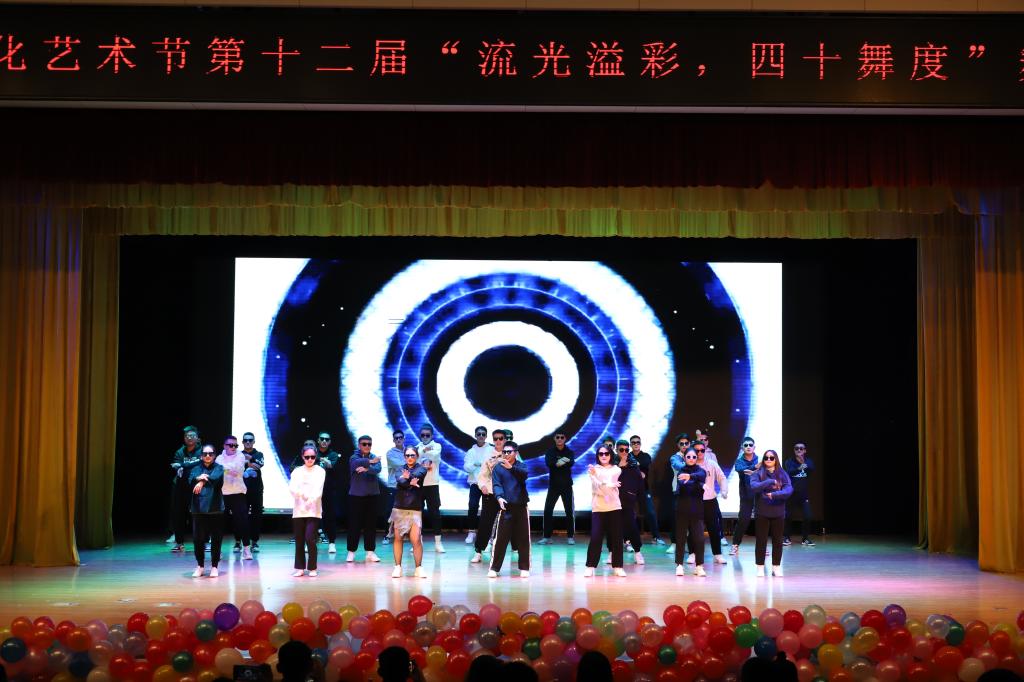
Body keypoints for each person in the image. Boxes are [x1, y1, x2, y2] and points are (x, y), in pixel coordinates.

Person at [488, 441, 531, 578]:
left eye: (509, 452)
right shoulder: (498, 468)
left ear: (515, 453)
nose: (506, 454)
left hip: (521, 506)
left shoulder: (521, 466)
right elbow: (496, 484)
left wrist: (511, 468)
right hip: (506, 508)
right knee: (500, 539)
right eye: (504, 452)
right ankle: (494, 568)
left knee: (523, 539)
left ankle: (524, 567)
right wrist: (499, 497)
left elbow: (524, 475)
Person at [584, 445, 626, 577]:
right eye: (601, 454)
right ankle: (590, 566)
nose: (603, 456)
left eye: (606, 453)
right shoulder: (594, 469)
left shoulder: (616, 470)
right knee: (596, 537)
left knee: (617, 538)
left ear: (610, 455)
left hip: (614, 507)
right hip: (598, 508)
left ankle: (618, 566)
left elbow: (603, 486)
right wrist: (606, 484)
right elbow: (597, 487)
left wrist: (603, 482)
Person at [751, 449, 792, 576]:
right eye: (766, 458)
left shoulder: (782, 473)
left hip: (778, 512)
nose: (768, 460)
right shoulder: (758, 473)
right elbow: (754, 486)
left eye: (771, 458)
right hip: (762, 511)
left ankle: (776, 567)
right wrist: (770, 481)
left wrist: (775, 494)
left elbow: (789, 489)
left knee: (778, 541)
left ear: (775, 459)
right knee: (761, 540)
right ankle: (760, 567)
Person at [391, 446, 429, 578]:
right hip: (399, 508)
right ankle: (397, 567)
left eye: (412, 455)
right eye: (407, 455)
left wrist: (408, 478)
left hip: (415, 509)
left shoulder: (422, 468)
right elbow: (401, 481)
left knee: (416, 539)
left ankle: (418, 568)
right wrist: (410, 482)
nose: (410, 458)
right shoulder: (399, 469)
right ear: (404, 457)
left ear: (417, 456)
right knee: (398, 538)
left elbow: (418, 476)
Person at [688, 442, 728, 565]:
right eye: (697, 450)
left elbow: (722, 477)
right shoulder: (689, 465)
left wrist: (724, 490)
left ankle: (717, 554)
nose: (700, 453)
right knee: (693, 529)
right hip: (695, 501)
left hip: (710, 500)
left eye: (702, 450)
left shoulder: (711, 463)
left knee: (714, 528)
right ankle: (692, 553)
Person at [471, 429, 507, 562]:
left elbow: (520, 469)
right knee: (485, 523)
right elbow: (482, 475)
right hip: (491, 493)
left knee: (510, 523)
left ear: (505, 439)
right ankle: (478, 551)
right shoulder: (489, 456)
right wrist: (483, 486)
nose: (498, 441)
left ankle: (516, 548)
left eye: (500, 438)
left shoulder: (511, 453)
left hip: (507, 494)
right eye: (495, 438)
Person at [290, 445, 326, 577]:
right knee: (299, 540)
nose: (310, 459)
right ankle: (299, 567)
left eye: (312, 457)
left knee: (310, 539)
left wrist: (311, 500)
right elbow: (292, 488)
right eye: (307, 457)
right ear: (302, 457)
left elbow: (318, 490)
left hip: (313, 510)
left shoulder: (320, 471)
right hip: (299, 510)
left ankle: (312, 567)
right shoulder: (297, 471)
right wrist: (301, 495)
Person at [215, 435, 253, 560]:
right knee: (219, 523)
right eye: (231, 445)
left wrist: (225, 469)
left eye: (235, 445)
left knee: (243, 522)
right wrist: (228, 470)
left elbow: (238, 471)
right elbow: (219, 470)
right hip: (223, 494)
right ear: (224, 446)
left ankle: (246, 549)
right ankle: (217, 550)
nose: (233, 447)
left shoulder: (240, 456)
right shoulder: (219, 458)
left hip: (238, 493)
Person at [189, 445, 224, 577]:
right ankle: (200, 566)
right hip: (198, 509)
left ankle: (214, 566)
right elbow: (190, 480)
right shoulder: (195, 469)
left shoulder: (219, 467)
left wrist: (201, 481)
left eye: (210, 453)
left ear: (214, 455)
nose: (208, 456)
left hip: (215, 509)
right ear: (201, 456)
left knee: (216, 539)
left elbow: (214, 478)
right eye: (205, 454)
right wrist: (197, 478)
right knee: (198, 539)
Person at [672, 447, 707, 577]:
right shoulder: (681, 471)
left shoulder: (701, 471)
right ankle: (679, 565)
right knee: (681, 538)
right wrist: (700, 484)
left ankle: (699, 566)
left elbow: (702, 476)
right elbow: (685, 484)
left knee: (699, 539)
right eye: (688, 457)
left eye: (694, 457)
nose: (691, 459)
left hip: (697, 510)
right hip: (682, 510)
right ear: (684, 458)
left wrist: (692, 477)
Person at [347, 435, 382, 563]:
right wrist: (370, 462)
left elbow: (378, 469)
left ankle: (370, 552)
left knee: (370, 525)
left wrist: (367, 468)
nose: (367, 446)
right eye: (364, 444)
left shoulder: (374, 456)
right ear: (359, 445)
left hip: (372, 496)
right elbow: (354, 464)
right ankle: (351, 552)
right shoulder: (354, 457)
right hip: (356, 496)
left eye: (369, 444)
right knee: (354, 525)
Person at [612, 440, 645, 564]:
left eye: (626, 450)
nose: (624, 452)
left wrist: (638, 498)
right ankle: (611, 553)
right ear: (616, 450)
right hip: (613, 500)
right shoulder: (612, 464)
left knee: (632, 527)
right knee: (613, 528)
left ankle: (638, 552)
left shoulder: (633, 464)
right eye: (621, 450)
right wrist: (618, 466)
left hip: (628, 501)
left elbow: (639, 483)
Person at [169, 425, 202, 552]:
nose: (189, 438)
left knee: (198, 515)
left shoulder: (202, 451)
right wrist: (179, 467)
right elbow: (176, 464)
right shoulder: (180, 452)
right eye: (187, 436)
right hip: (180, 487)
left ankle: (203, 542)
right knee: (178, 514)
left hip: (196, 486)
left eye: (192, 436)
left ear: (197, 438)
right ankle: (179, 543)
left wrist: (183, 465)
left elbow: (200, 463)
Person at [539, 431, 575, 545]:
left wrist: (558, 462)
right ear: (554, 438)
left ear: (565, 439)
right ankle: (547, 537)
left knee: (569, 511)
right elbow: (550, 463)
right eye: (557, 437)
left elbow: (570, 462)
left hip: (567, 486)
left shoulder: (569, 452)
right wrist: (563, 461)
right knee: (548, 510)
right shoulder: (550, 452)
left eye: (562, 437)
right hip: (553, 486)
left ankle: (570, 536)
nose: (559, 439)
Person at [629, 435, 664, 545]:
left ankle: (656, 537)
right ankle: (628, 538)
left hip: (644, 489)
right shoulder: (627, 455)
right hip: (630, 490)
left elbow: (645, 463)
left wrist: (634, 465)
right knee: (629, 514)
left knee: (651, 512)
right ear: (630, 444)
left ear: (640, 444)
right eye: (633, 442)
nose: (636, 444)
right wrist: (637, 469)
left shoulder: (645, 456)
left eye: (638, 442)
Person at [416, 423, 445, 553]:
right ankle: (417, 542)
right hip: (419, 484)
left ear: (432, 435)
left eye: (427, 435)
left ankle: (438, 543)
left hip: (432, 484)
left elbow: (434, 456)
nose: (425, 437)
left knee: (435, 514)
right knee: (418, 514)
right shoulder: (416, 447)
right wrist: (425, 451)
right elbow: (415, 460)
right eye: (423, 435)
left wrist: (423, 453)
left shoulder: (437, 445)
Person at [783, 441, 816, 546]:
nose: (799, 450)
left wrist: (803, 464)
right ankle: (786, 537)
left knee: (808, 516)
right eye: (796, 448)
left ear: (805, 450)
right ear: (794, 450)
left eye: (801, 448)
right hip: (791, 494)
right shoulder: (789, 461)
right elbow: (790, 472)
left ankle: (805, 539)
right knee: (788, 516)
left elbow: (811, 469)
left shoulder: (808, 461)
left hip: (803, 495)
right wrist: (801, 467)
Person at [731, 437, 759, 556]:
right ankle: (735, 545)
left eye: (750, 445)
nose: (748, 447)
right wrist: (755, 467)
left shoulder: (760, 460)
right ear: (742, 447)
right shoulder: (739, 461)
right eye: (746, 445)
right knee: (743, 520)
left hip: (759, 495)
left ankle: (762, 546)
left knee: (761, 521)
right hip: (746, 495)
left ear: (754, 447)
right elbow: (741, 469)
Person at [463, 426, 490, 546]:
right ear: (475, 436)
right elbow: (466, 467)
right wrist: (475, 464)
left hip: (487, 483)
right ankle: (471, 532)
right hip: (475, 482)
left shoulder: (491, 449)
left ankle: (487, 533)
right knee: (473, 506)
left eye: (483, 434)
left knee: (487, 509)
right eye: (479, 434)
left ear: (486, 436)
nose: (481, 436)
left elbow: (491, 465)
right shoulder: (471, 451)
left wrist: (481, 465)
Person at [665, 433, 691, 555]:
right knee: (676, 518)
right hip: (678, 491)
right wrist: (692, 463)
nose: (684, 445)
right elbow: (680, 467)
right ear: (678, 445)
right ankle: (674, 543)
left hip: (693, 491)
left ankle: (689, 544)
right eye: (682, 443)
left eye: (686, 443)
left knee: (691, 519)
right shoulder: (675, 457)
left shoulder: (694, 455)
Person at [240, 432, 264, 553]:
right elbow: (236, 468)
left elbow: (259, 465)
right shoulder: (238, 454)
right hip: (241, 490)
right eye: (246, 440)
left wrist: (249, 460)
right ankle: (238, 541)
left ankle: (254, 542)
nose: (248, 442)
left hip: (256, 490)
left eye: (250, 440)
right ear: (242, 442)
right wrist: (251, 463)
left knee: (256, 516)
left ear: (254, 441)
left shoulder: (259, 454)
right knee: (241, 517)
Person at [382, 430, 406, 543]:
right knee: (390, 511)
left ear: (404, 438)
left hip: (406, 486)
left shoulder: (408, 451)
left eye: (400, 437)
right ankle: (387, 535)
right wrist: (411, 461)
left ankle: (403, 534)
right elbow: (401, 465)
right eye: (396, 438)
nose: (399, 439)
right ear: (393, 440)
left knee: (405, 512)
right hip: (394, 486)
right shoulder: (390, 453)